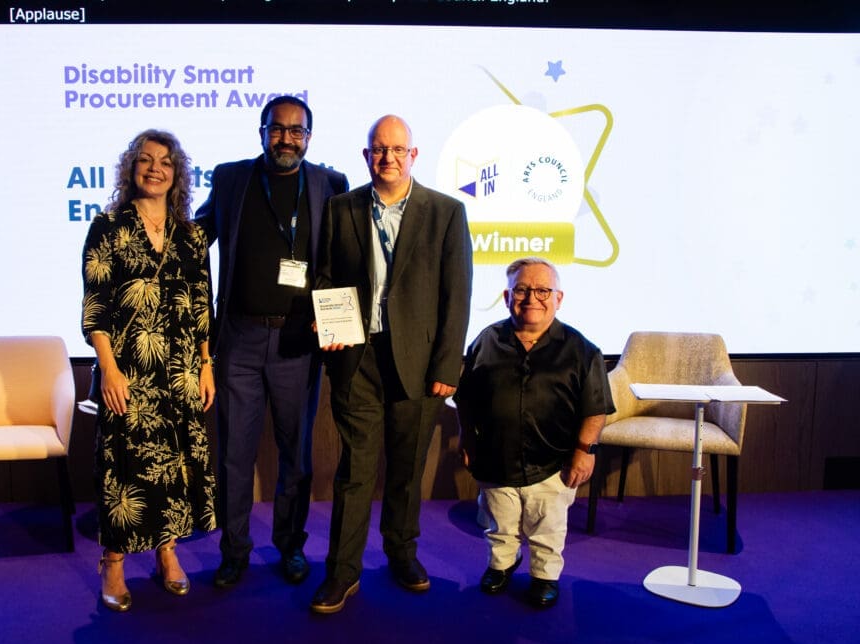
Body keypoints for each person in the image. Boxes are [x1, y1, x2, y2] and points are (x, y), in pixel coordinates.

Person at [310, 114, 473, 614]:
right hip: (357, 361)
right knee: (354, 472)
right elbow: (327, 277)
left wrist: (449, 364)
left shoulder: (446, 212)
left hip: (422, 367)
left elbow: (457, 293)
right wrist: (326, 323)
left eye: (398, 150)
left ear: (414, 155)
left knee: (406, 471)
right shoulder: (341, 208)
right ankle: (342, 572)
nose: (388, 158)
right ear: (366, 156)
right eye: (379, 150)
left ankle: (402, 555)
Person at [195, 96, 349, 588]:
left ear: (309, 136)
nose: (287, 138)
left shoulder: (330, 185)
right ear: (261, 131)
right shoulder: (231, 178)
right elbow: (196, 238)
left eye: (297, 131)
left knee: (296, 456)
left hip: (297, 344)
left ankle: (289, 545)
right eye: (277, 129)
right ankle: (234, 551)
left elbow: (344, 262)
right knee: (234, 456)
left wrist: (340, 323)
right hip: (238, 339)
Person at [81, 129, 217, 612]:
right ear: (130, 168)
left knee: (174, 466)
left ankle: (167, 553)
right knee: (126, 468)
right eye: (144, 160)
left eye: (164, 161)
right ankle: (113, 561)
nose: (154, 168)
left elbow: (203, 303)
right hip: (129, 373)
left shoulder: (193, 235)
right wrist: (109, 369)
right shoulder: (108, 227)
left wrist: (205, 364)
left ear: (176, 173)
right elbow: (95, 307)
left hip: (180, 371)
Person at [454, 257, 614, 608]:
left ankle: (544, 576)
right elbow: (466, 399)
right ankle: (502, 564)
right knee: (500, 521)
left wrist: (584, 451)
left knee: (548, 526)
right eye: (522, 289)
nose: (532, 298)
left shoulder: (582, 350)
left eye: (542, 290)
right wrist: (467, 437)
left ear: (559, 297)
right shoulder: (486, 340)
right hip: (495, 458)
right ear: (507, 295)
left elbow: (596, 408)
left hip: (553, 462)